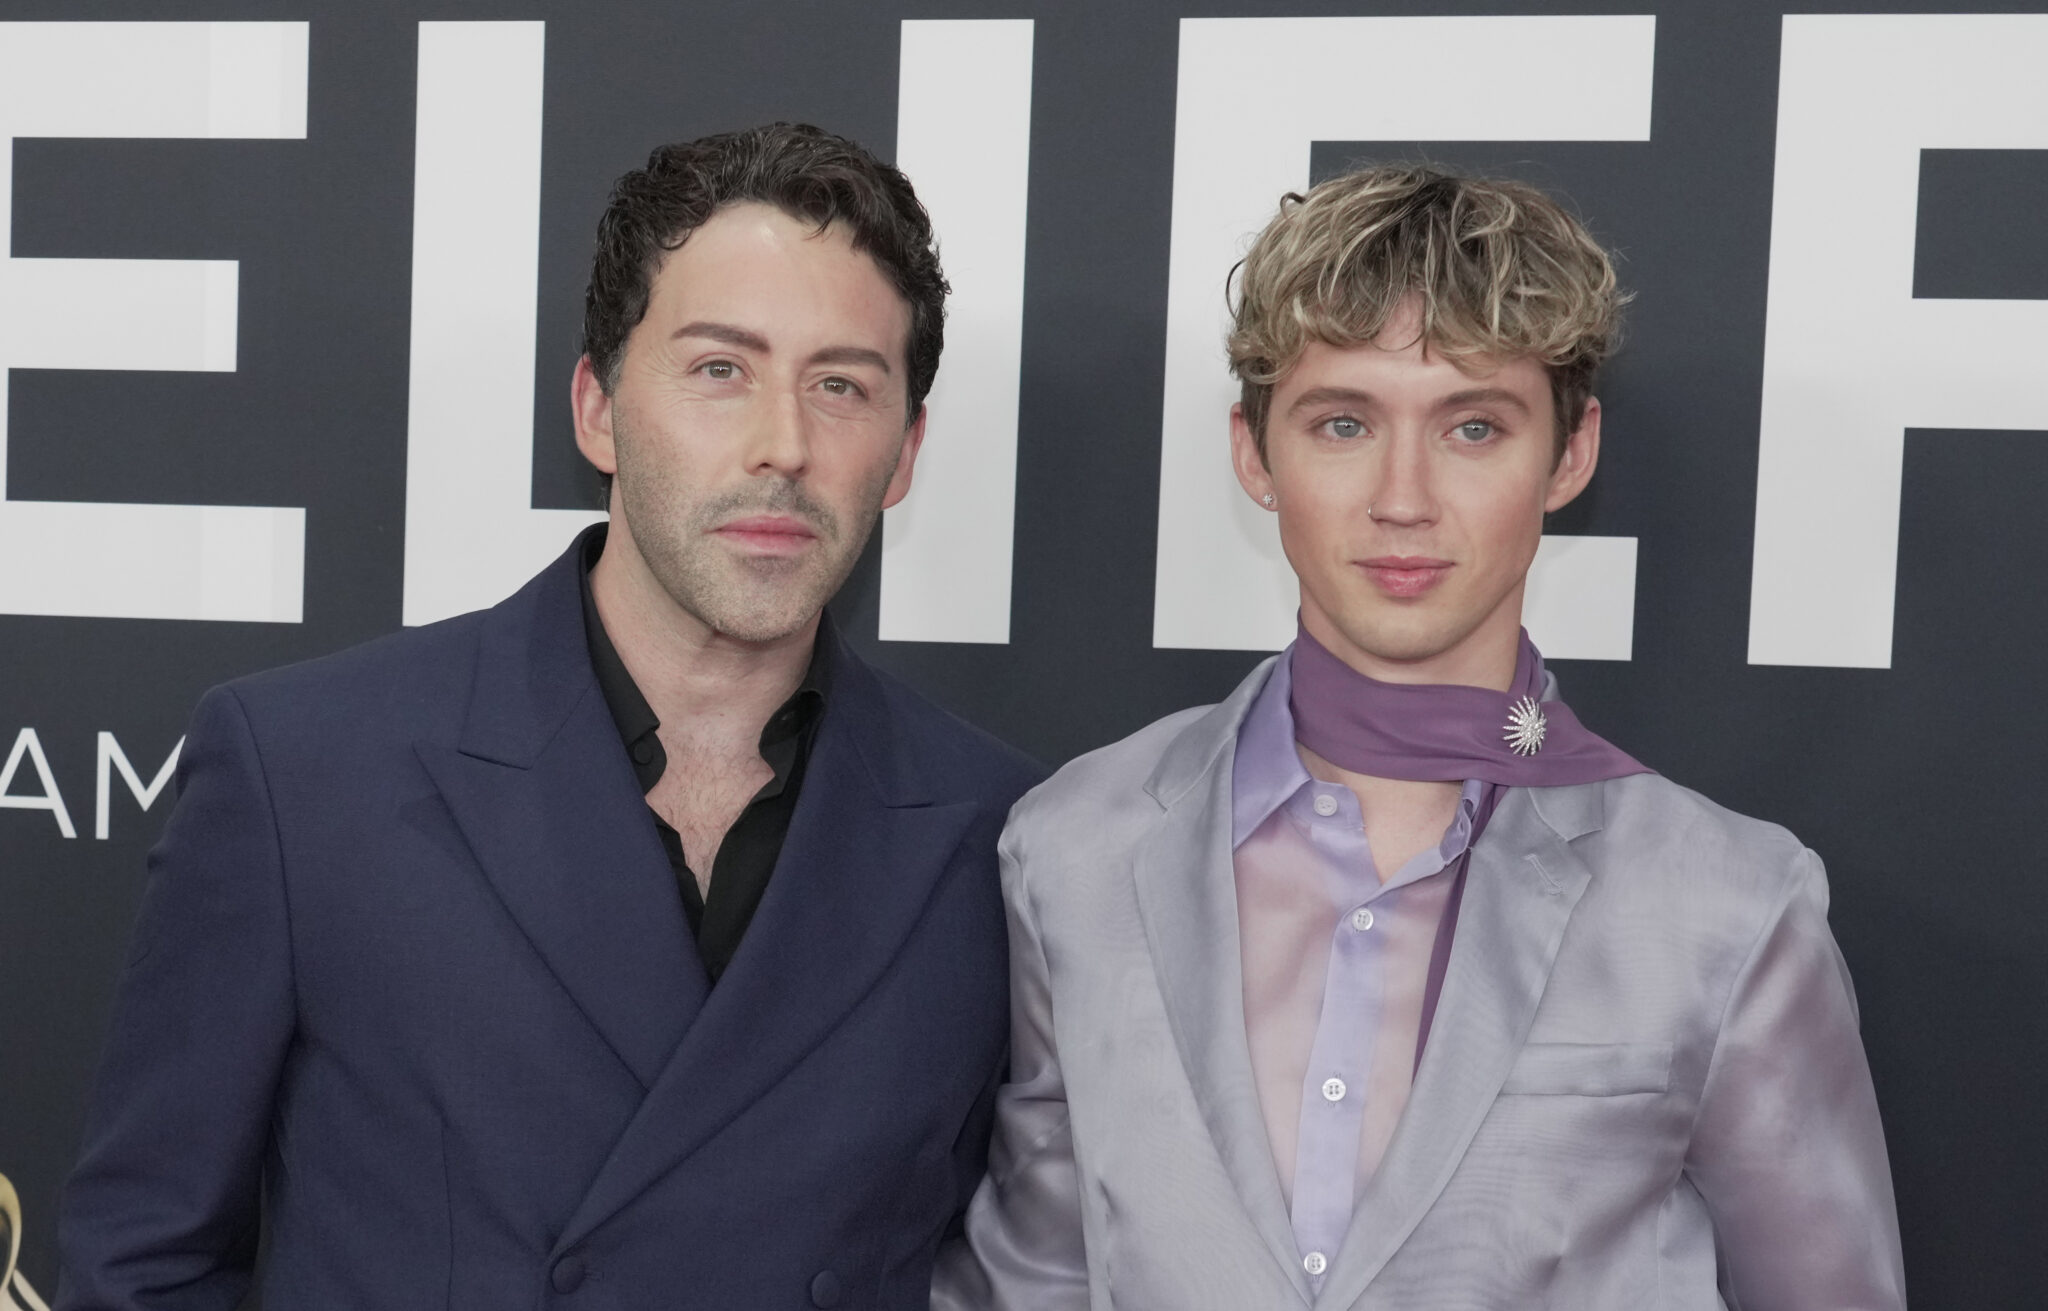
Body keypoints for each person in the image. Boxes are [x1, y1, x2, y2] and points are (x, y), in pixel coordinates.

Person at [58, 122, 1042, 1311]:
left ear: (902, 452)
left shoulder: (1004, 837)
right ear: (597, 407)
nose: (784, 446)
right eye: (719, 368)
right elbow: (143, 1261)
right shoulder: (304, 772)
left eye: (841, 386)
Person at [935, 165, 1905, 1309]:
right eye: (1342, 422)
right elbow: (1032, 1280)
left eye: (1473, 426)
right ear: (1253, 452)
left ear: (1568, 453)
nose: (1403, 497)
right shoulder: (1072, 848)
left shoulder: (1727, 904)